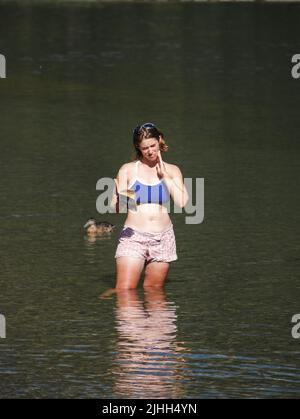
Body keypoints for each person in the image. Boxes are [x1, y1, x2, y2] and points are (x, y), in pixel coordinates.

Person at [112, 122, 189, 290]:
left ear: (159, 140)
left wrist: (165, 177)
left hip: (163, 238)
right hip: (134, 236)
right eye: (144, 148)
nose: (150, 151)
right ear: (138, 148)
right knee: (125, 290)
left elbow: (183, 202)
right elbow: (117, 209)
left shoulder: (173, 170)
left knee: (154, 292)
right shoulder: (128, 170)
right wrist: (120, 195)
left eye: (153, 145)